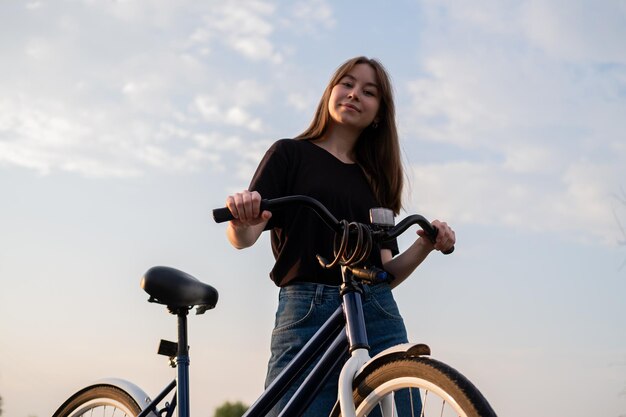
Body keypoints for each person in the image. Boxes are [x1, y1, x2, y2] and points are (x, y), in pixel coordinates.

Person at [224, 56, 456, 416]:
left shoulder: (375, 180)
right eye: (346, 84)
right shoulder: (290, 154)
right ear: (330, 92)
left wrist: (425, 244)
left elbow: (385, 271)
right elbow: (245, 236)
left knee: (400, 408)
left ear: (379, 113)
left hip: (375, 307)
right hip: (306, 307)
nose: (354, 95)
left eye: (368, 91)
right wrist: (242, 218)